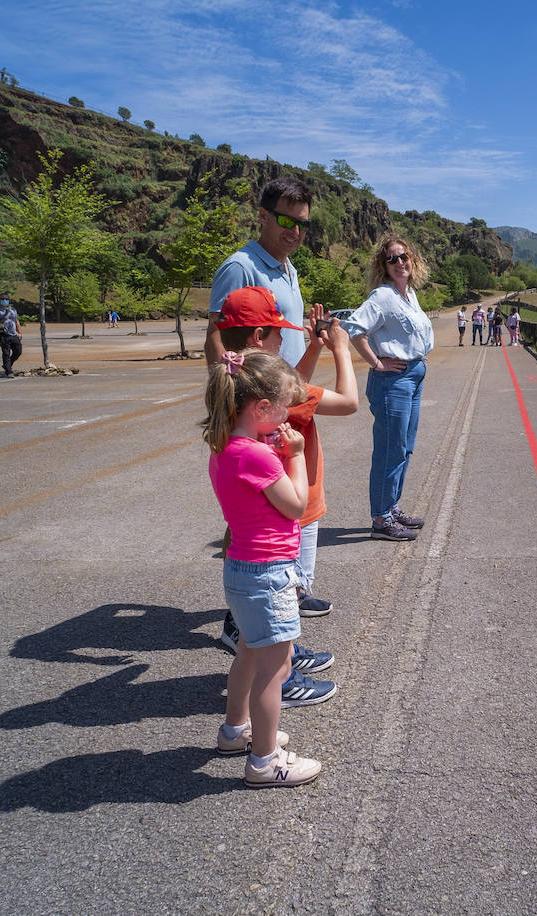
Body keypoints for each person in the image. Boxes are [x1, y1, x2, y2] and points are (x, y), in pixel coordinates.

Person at [212, 286, 352, 709]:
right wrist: (341, 349)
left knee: (265, 616)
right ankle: (282, 673)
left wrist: (312, 347)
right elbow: (346, 401)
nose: (282, 342)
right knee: (285, 595)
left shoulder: (239, 390)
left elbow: (293, 383)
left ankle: (269, 648)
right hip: (289, 511)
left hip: (251, 537)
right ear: (259, 338)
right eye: (278, 334)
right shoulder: (268, 400)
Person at [203, 348, 322, 788]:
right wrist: (295, 453)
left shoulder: (229, 447)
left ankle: (235, 731)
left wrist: (272, 448)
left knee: (250, 653)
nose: (289, 414)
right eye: (285, 406)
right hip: (269, 572)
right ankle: (265, 761)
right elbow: (295, 506)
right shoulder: (260, 456)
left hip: (243, 570)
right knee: (277, 667)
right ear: (262, 408)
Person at [344, 236, 434, 541]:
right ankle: (381, 520)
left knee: (404, 448)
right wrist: (377, 363)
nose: (400, 263)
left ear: (413, 260)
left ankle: (391, 506)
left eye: (404, 256)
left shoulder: (408, 295)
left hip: (413, 377)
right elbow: (355, 329)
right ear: (383, 266)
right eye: (392, 259)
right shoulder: (382, 296)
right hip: (392, 381)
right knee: (389, 449)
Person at [205, 176, 312, 369]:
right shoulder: (240, 267)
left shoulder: (290, 269)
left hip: (291, 392)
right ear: (263, 216)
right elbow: (216, 337)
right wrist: (228, 394)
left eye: (302, 224)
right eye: (286, 221)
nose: (296, 232)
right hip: (261, 395)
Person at [0, 293, 22, 377]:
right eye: (3, 299)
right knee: (6, 352)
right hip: (3, 334)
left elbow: (16, 321)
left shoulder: (12, 309)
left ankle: (7, 365)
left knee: (18, 351)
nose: (5, 300)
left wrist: (19, 332)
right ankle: (9, 371)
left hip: (13, 334)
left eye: (6, 299)